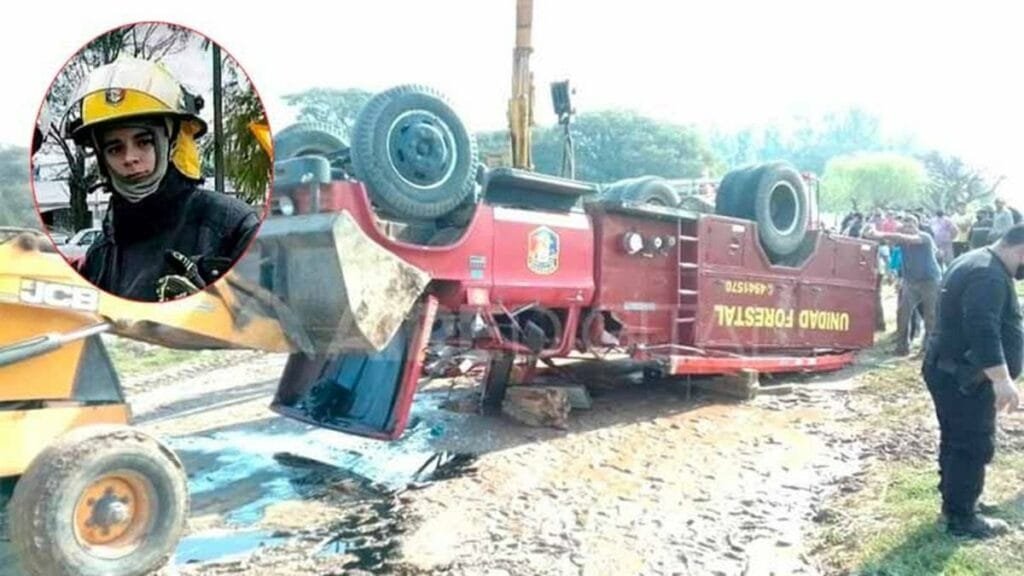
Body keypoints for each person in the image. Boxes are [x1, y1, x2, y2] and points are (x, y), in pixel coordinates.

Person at [61, 57, 261, 302]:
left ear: (171, 141)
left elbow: (270, 322)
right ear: (102, 158)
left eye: (144, 142)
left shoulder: (231, 225)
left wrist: (214, 306)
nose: (130, 158)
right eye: (114, 148)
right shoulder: (100, 255)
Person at [922, 223, 1024, 538]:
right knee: (972, 444)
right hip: (964, 375)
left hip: (950, 369)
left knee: (955, 440)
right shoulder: (988, 275)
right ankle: (962, 518)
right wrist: (1002, 380)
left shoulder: (976, 259)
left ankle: (958, 502)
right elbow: (983, 328)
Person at [864, 214, 941, 356]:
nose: (908, 229)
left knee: (930, 316)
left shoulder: (924, 237)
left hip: (930, 281)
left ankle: (928, 349)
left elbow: (902, 238)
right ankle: (902, 347)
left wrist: (880, 232)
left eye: (911, 225)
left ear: (916, 226)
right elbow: (885, 240)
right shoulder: (901, 240)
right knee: (902, 313)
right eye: (905, 226)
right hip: (910, 281)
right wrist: (871, 231)